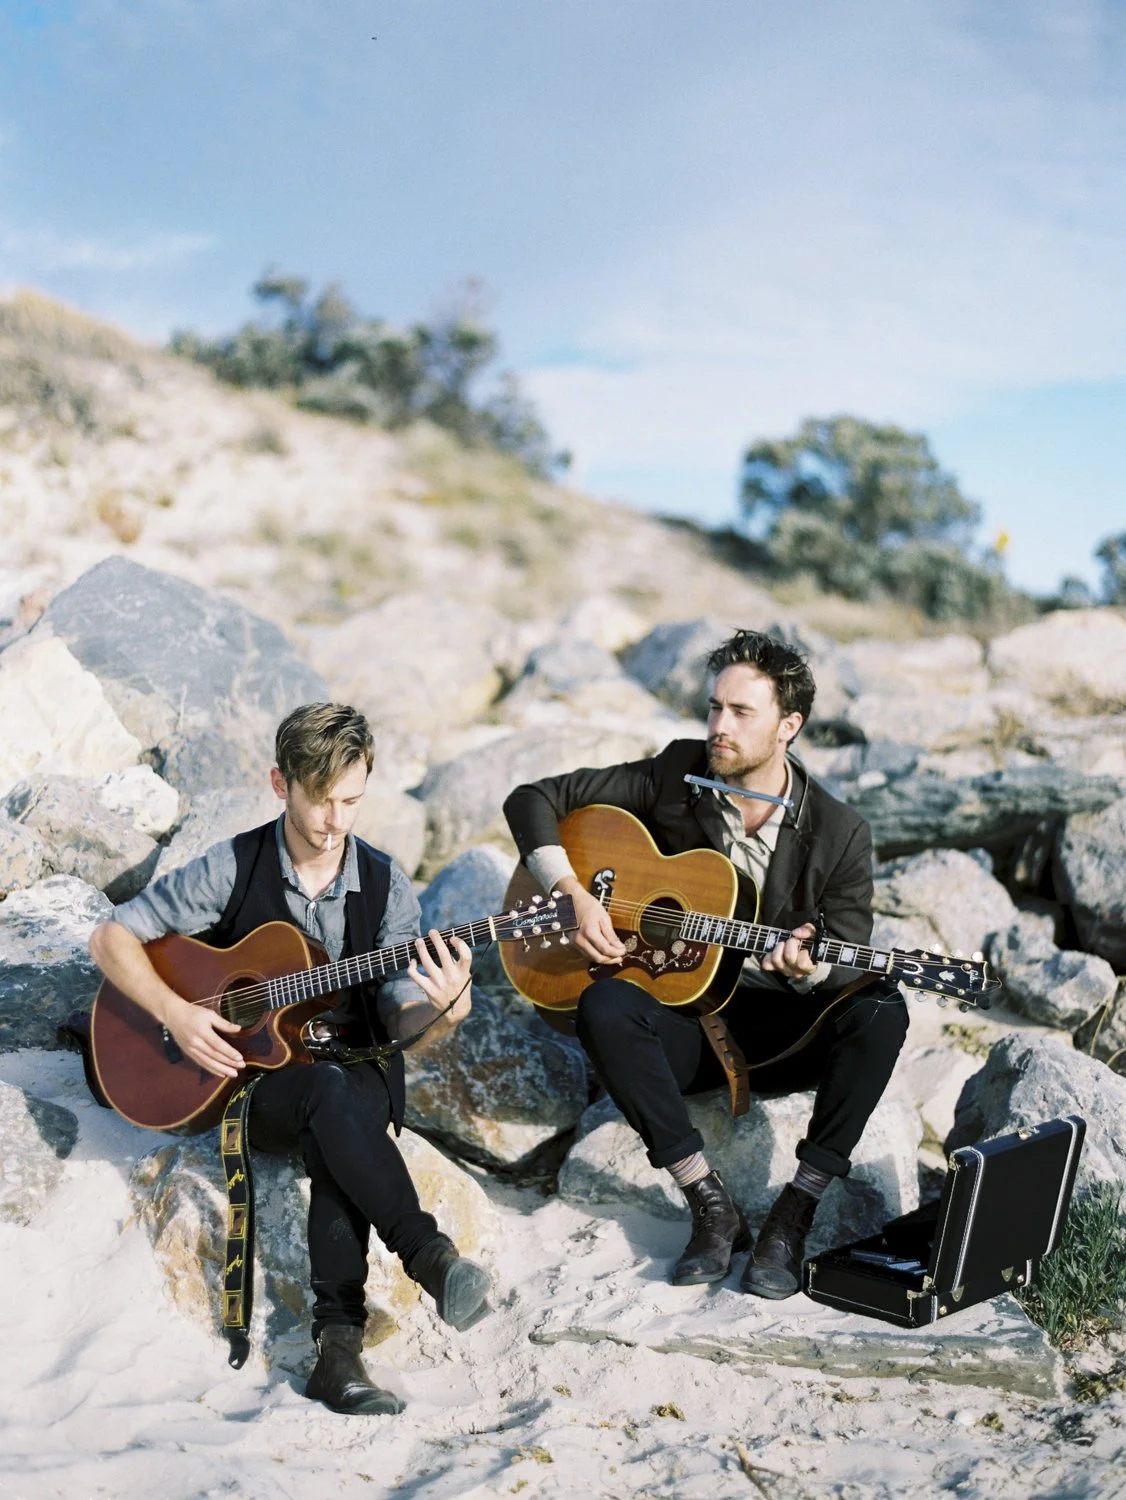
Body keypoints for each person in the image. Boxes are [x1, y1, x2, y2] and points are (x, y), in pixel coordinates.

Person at [89, 702, 491, 1415]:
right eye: (321, 801)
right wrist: (178, 1014)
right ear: (282, 783)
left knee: (343, 1111)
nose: (336, 821)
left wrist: (444, 1009)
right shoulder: (234, 865)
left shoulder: (385, 883)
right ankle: (428, 1255)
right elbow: (113, 937)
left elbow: (401, 1014)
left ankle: (337, 1357)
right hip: (252, 1083)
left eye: (351, 802)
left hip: (355, 1064)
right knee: (327, 1101)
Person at [503, 629, 908, 1299]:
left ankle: (794, 1211)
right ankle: (709, 1204)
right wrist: (574, 896)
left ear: (790, 726)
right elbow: (532, 799)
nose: (718, 727)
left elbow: (845, 964)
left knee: (882, 1008)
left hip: (778, 1035)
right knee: (604, 1004)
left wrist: (805, 970)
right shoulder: (675, 774)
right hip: (686, 1024)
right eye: (715, 707)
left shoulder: (839, 833)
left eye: (741, 713)